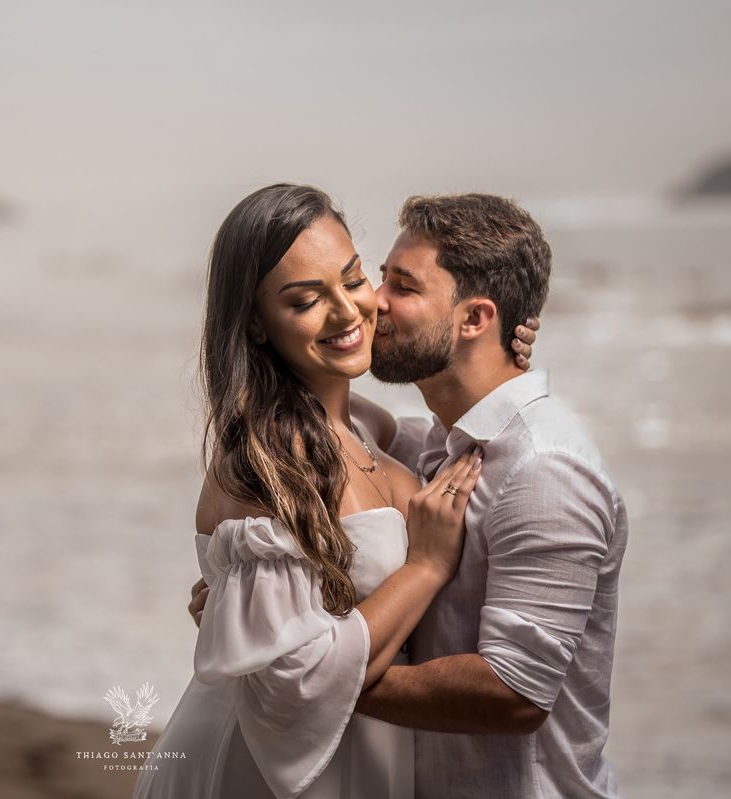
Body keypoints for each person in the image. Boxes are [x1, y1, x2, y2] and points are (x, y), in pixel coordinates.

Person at [190, 193, 626, 799]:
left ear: (475, 319)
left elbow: (516, 693)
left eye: (394, 285)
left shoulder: (543, 470)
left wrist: (293, 665)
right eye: (378, 276)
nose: (370, 305)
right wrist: (258, 617)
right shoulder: (432, 444)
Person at [133, 183, 503, 799]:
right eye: (306, 300)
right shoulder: (273, 458)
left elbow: (453, 423)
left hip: (358, 757)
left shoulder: (361, 425)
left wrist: (493, 344)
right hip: (258, 775)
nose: (347, 312)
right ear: (254, 321)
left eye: (353, 279)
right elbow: (291, 686)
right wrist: (427, 567)